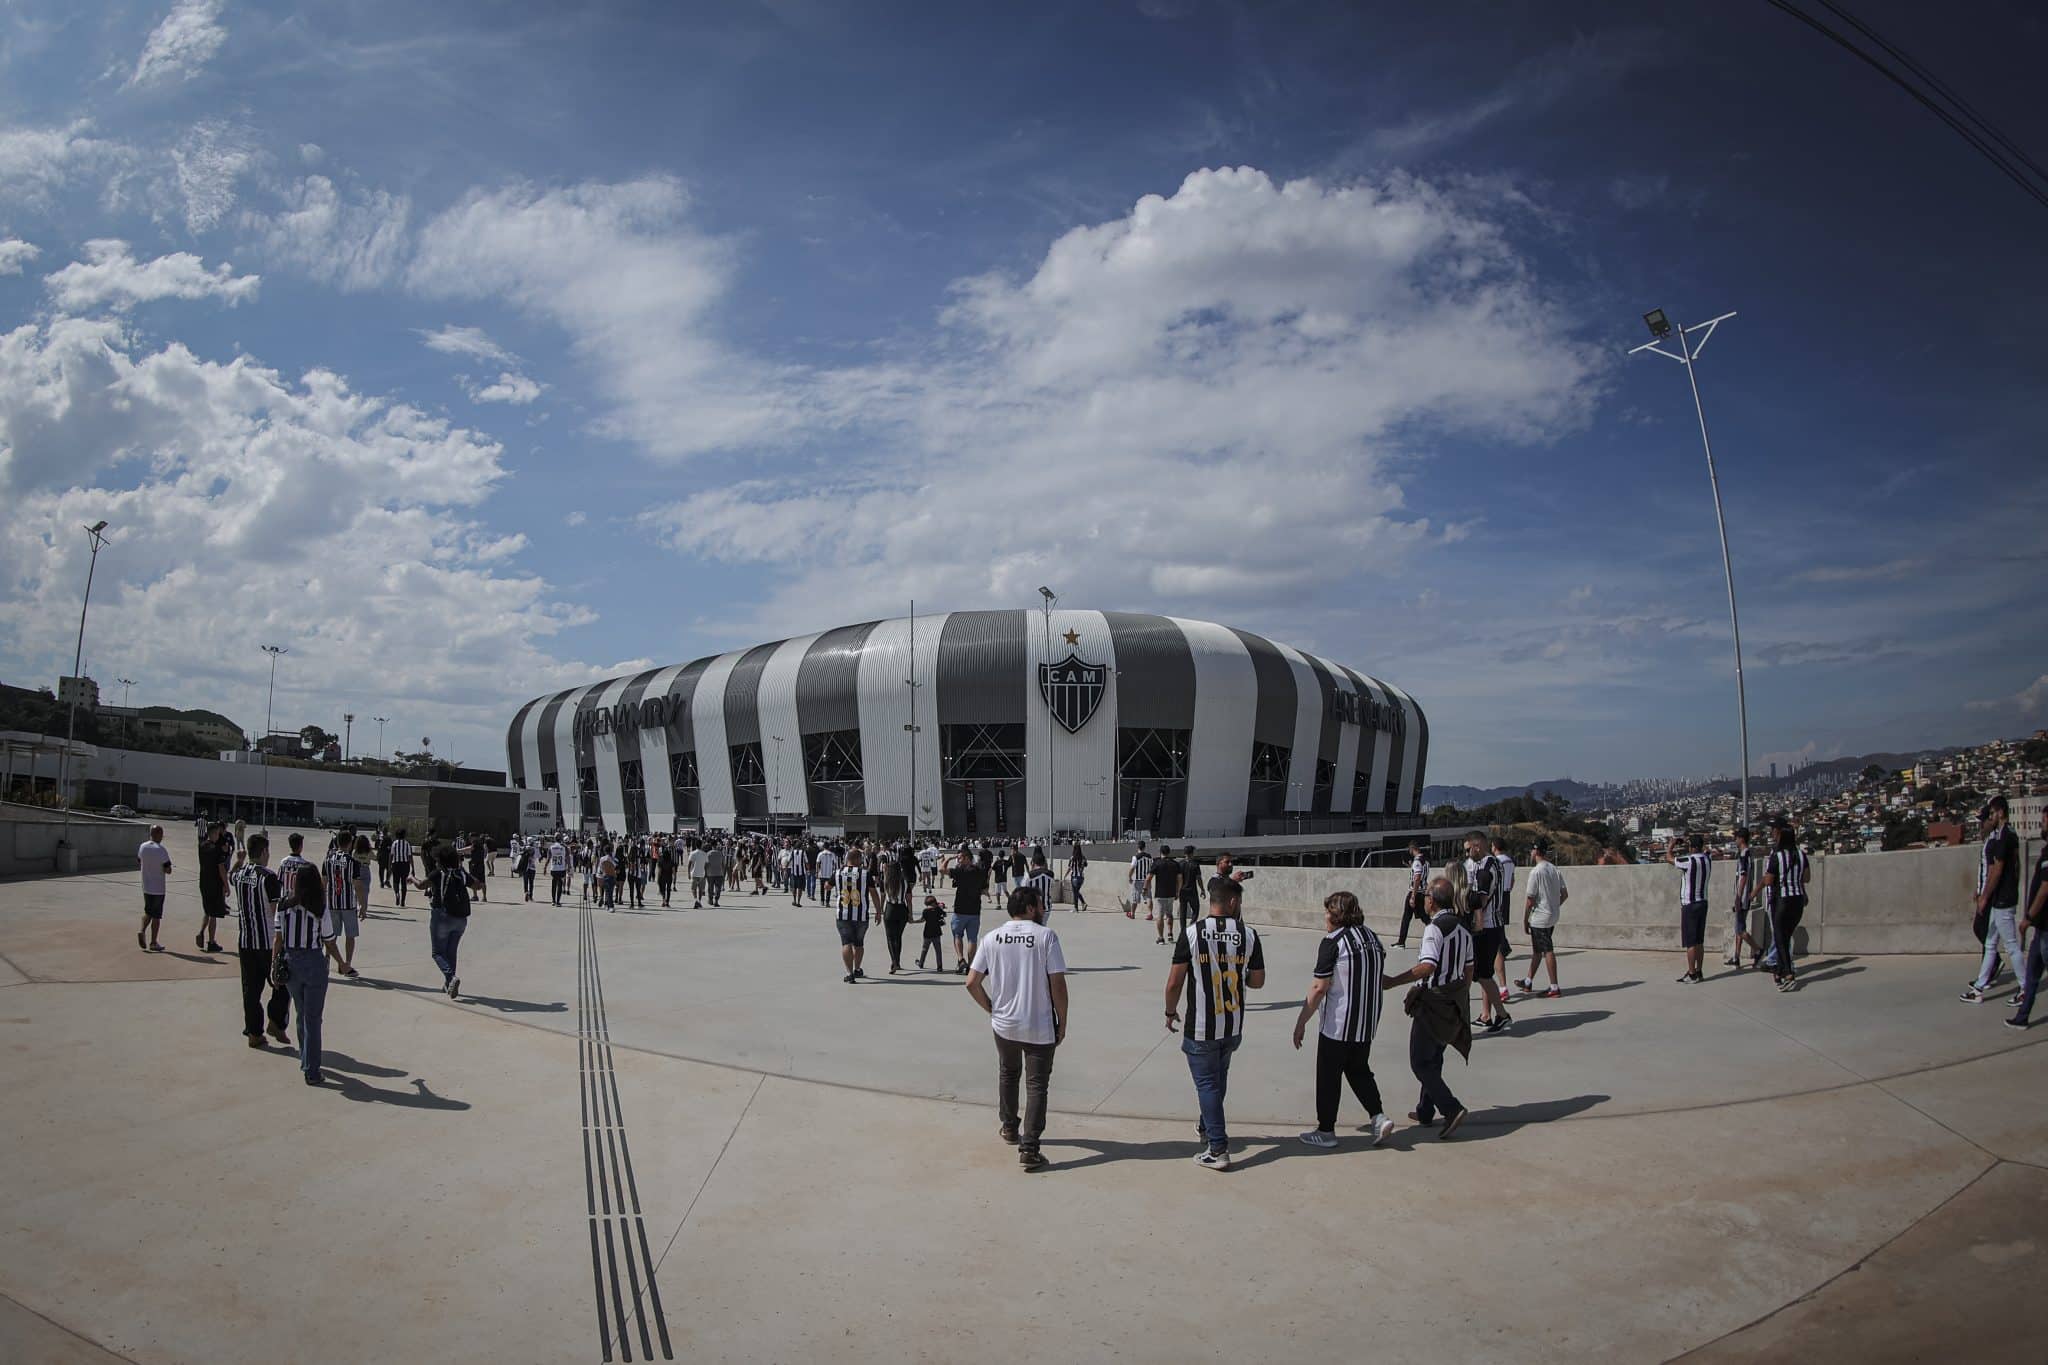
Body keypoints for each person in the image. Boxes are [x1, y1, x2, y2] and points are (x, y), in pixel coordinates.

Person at [1164, 877, 1266, 1170]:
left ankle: (1218, 1148)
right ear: (1233, 902)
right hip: (1232, 1025)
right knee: (1217, 1080)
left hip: (1201, 1027)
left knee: (1208, 1084)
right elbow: (1257, 981)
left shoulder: (1192, 933)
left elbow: (1174, 982)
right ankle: (1207, 1127)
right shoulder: (1249, 934)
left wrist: (1170, 1012)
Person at [965, 884, 1068, 1171]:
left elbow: (971, 982)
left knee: (1009, 1073)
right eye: (1041, 904)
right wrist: (1063, 1021)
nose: (1044, 909)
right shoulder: (1046, 937)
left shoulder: (991, 938)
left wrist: (991, 1008)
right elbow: (1058, 984)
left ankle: (1010, 1127)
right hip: (1039, 1024)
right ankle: (1030, 1147)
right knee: (1037, 1084)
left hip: (1005, 1024)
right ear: (1032, 907)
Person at [1292, 891, 1394, 1149]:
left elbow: (1319, 987)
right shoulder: (1372, 938)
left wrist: (1302, 1020)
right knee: (1359, 1069)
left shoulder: (1333, 942)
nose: (1325, 917)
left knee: (1328, 1076)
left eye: (1327, 912)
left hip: (1339, 1024)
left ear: (1336, 915)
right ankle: (1378, 1117)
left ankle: (1326, 1130)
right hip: (1367, 1022)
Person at [1389, 880, 1473, 1138]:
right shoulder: (1463, 927)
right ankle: (1425, 1111)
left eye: (1426, 896)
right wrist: (1459, 994)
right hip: (1454, 1001)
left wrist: (1392, 981)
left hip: (1433, 1002)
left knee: (1420, 1062)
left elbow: (1428, 966)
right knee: (1434, 1057)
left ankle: (1451, 1108)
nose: (1424, 899)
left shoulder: (1434, 928)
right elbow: (1469, 968)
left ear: (1432, 901)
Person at [271, 856, 335, 1085]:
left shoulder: (284, 904)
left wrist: (274, 965)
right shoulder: (319, 907)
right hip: (313, 963)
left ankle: (304, 1057)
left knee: (300, 1012)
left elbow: (278, 939)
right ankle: (312, 1069)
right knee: (313, 1019)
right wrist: (341, 962)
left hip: (291, 961)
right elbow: (328, 939)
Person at [231, 834, 291, 1049]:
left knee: (251, 990)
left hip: (246, 941)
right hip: (267, 942)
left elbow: (231, 875)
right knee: (282, 983)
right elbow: (277, 913)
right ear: (264, 852)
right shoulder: (268, 877)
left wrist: (239, 859)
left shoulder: (239, 875)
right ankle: (275, 1021)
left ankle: (254, 1033)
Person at [1963, 796, 2022, 1004]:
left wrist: (1984, 896)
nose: (1989, 818)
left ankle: (2024, 987)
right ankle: (1979, 987)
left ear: (2001, 813)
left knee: (2011, 946)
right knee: (1989, 943)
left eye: (1992, 814)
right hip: (2001, 897)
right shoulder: (2005, 835)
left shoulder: (2003, 837)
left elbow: (1995, 870)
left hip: (2001, 898)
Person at [2004, 805, 2048, 1029]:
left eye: (2044, 821)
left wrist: (2029, 916)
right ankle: (2022, 1017)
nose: (2042, 824)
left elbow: (2046, 889)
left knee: (2033, 977)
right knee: (2031, 979)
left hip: (2045, 928)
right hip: (2041, 928)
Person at [1460, 834, 1509, 1032]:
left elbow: (1480, 901)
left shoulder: (1485, 870)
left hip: (1487, 927)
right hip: (1493, 925)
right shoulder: (1494, 864)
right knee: (1484, 973)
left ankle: (1502, 1014)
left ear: (1477, 846)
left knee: (1482, 974)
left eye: (1467, 849)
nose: (1466, 854)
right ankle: (1486, 1015)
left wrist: (1464, 903)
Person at [416, 844, 475, 999]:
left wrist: (411, 878)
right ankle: (448, 983)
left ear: (441, 861)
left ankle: (451, 977)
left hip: (442, 916)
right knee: (451, 951)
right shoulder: (460, 873)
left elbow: (421, 885)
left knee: (437, 953)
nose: (436, 863)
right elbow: (478, 885)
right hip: (461, 919)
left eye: (437, 860)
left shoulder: (438, 873)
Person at [1513, 839, 1567, 998]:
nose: (1530, 853)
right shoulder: (1554, 869)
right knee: (1538, 950)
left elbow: (1530, 900)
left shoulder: (1536, 872)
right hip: (1552, 915)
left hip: (1540, 918)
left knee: (1547, 950)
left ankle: (1554, 987)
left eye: (1531, 850)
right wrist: (1553, 906)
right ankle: (1528, 982)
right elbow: (1564, 894)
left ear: (1536, 851)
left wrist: (1525, 920)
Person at [1762, 820, 1810, 993]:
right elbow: (1806, 878)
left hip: (1782, 899)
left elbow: (1768, 880)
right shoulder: (1801, 854)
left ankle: (1787, 974)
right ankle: (1783, 970)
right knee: (1786, 935)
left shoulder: (1777, 855)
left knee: (1781, 937)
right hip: (1797, 899)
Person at [1668, 833, 1711, 984]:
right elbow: (1706, 851)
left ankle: (1692, 973)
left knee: (1690, 942)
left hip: (1690, 904)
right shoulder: (1707, 859)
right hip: (1703, 902)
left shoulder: (1689, 860)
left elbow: (1669, 858)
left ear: (1691, 847)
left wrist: (1671, 845)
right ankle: (1699, 970)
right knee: (1699, 940)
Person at [834, 847, 880, 983]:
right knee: (859, 944)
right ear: (857, 859)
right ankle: (857, 969)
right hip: (861, 916)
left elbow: (827, 886)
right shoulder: (865, 874)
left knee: (846, 942)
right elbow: (874, 893)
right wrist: (878, 911)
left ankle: (849, 973)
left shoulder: (838, 872)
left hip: (843, 914)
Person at [324, 834, 363, 978]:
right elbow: (358, 885)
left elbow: (324, 882)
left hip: (333, 903)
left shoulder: (328, 860)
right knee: (350, 935)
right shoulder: (353, 862)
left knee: (331, 935)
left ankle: (327, 961)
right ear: (350, 843)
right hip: (348, 904)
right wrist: (363, 905)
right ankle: (346, 964)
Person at [1726, 827, 1763, 969]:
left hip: (1742, 897)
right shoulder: (1746, 854)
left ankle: (1758, 950)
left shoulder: (1744, 855)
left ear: (1741, 838)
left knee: (1740, 929)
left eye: (1736, 837)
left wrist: (1739, 896)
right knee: (1739, 928)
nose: (1735, 840)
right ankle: (1736, 956)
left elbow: (1743, 877)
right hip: (1743, 897)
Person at [947, 850, 988, 973]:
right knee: (972, 939)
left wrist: (948, 859)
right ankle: (970, 965)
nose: (958, 860)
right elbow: (984, 889)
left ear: (966, 858)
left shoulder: (961, 871)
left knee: (957, 935)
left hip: (960, 909)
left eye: (959, 858)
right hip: (974, 910)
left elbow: (942, 870)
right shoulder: (980, 872)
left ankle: (961, 960)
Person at [194, 820, 230, 953]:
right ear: (214, 833)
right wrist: (226, 885)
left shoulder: (201, 845)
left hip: (203, 881)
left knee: (207, 910)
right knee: (214, 914)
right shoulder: (216, 849)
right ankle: (211, 941)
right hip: (214, 883)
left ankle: (201, 931)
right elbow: (221, 868)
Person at [136, 825, 172, 952]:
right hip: (158, 887)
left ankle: (142, 930)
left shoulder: (143, 846)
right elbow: (168, 869)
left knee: (148, 911)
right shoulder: (161, 850)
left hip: (146, 886)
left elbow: (139, 861)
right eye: (161, 834)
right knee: (156, 916)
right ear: (158, 834)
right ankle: (153, 942)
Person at [1489, 837, 1516, 1001]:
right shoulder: (1510, 861)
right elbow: (1512, 880)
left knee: (1496, 927)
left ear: (1495, 847)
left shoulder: (1494, 862)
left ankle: (1503, 947)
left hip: (1497, 896)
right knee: (1501, 925)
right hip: (1506, 895)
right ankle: (1504, 946)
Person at [881, 854, 914, 974]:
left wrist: (879, 911)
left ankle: (894, 962)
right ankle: (897, 962)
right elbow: (909, 899)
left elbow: (883, 897)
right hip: (902, 910)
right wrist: (910, 914)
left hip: (890, 910)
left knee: (890, 938)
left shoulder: (885, 881)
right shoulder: (905, 882)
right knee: (898, 937)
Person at [1394, 840, 1427, 948]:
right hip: (1422, 892)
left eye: (1410, 850)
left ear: (1412, 849)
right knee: (1424, 916)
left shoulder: (1417, 861)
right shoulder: (1425, 861)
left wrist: (1413, 896)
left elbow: (1417, 878)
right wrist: (1410, 866)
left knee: (1406, 917)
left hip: (1415, 892)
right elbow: (1420, 875)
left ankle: (1401, 942)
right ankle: (1438, 931)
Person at [1149, 847, 1182, 945]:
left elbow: (1149, 878)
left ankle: (1160, 938)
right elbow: (1180, 879)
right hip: (1171, 893)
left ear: (1160, 852)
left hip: (1160, 893)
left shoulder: (1157, 863)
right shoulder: (1175, 864)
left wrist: (1145, 888)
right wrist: (1178, 892)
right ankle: (1170, 934)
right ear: (1169, 852)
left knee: (1160, 915)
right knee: (1169, 914)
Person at [917, 895, 947, 970]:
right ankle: (939, 966)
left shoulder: (925, 911)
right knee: (938, 950)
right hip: (937, 933)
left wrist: (914, 921)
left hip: (927, 933)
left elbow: (922, 920)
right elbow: (944, 914)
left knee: (924, 949)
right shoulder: (938, 910)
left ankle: (921, 963)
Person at [1127, 840, 1152, 920]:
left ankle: (1132, 914)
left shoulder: (1136, 857)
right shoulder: (1149, 857)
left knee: (1135, 898)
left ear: (1138, 847)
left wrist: (1130, 877)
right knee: (1148, 897)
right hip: (1147, 880)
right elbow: (1152, 867)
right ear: (1144, 847)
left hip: (1138, 880)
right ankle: (1150, 914)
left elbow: (1132, 868)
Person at [388, 830, 414, 907]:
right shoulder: (407, 844)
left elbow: (391, 855)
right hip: (405, 865)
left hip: (396, 864)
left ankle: (397, 894)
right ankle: (403, 901)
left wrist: (389, 866)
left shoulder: (394, 843)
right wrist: (413, 867)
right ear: (404, 835)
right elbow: (410, 856)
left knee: (395, 881)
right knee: (404, 883)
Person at [1064, 841, 1089, 911]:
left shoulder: (1072, 858)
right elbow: (1086, 865)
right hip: (1081, 878)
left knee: (1075, 892)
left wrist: (1065, 875)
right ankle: (1083, 903)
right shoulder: (1083, 857)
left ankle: (1076, 908)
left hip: (1074, 877)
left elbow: (1069, 868)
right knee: (1076, 891)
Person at [547, 835, 569, 906]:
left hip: (553, 868)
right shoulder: (564, 847)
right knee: (560, 884)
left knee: (554, 884)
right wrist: (569, 866)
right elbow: (567, 857)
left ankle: (553, 901)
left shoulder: (551, 847)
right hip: (561, 868)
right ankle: (558, 901)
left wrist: (545, 867)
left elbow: (548, 858)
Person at [703, 841, 726, 907]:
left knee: (710, 887)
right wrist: (723, 872)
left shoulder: (708, 854)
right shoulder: (720, 853)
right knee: (718, 887)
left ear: (712, 846)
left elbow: (706, 864)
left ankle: (710, 900)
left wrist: (705, 872)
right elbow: (723, 864)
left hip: (710, 873)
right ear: (716, 845)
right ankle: (716, 900)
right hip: (719, 873)